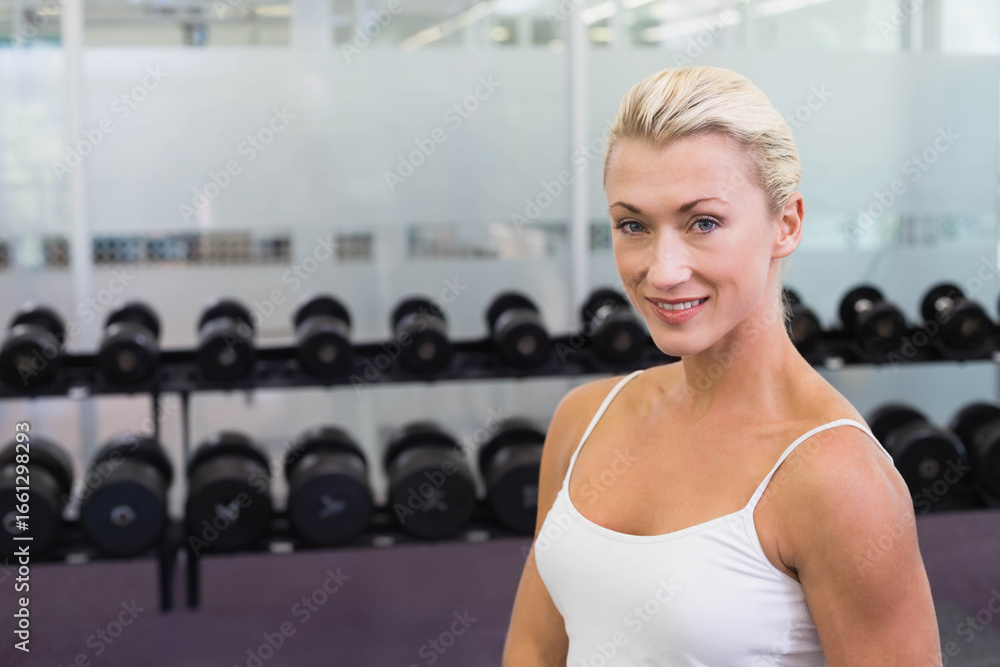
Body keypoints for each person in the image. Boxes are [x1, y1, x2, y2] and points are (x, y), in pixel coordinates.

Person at [502, 66, 942, 666]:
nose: (662, 270)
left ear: (785, 224)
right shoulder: (583, 420)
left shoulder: (838, 479)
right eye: (634, 225)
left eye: (703, 223)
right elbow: (533, 650)